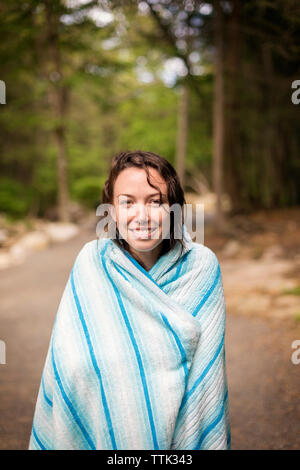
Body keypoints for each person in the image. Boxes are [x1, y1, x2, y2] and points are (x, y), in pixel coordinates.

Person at [29, 150, 231, 450]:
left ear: (174, 207)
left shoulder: (200, 267)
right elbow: (66, 366)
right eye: (128, 202)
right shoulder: (92, 262)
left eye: (155, 201)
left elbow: (206, 383)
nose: (142, 215)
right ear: (111, 210)